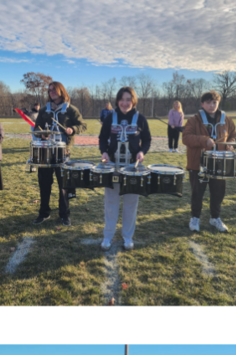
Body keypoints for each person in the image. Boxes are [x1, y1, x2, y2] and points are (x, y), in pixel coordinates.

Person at [98, 87, 151, 250]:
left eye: (128, 99)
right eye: (122, 99)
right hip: (113, 165)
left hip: (132, 167)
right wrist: (104, 152)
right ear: (117, 101)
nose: (125, 102)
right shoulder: (109, 117)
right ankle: (108, 236)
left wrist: (142, 152)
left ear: (133, 101)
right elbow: (102, 138)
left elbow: (147, 139)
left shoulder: (140, 119)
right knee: (111, 202)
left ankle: (128, 237)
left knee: (130, 203)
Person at [183, 90, 236, 233]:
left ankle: (215, 217)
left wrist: (231, 144)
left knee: (219, 192)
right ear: (202, 104)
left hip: (220, 163)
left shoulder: (227, 119)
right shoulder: (194, 120)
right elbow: (186, 137)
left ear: (218, 103)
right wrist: (203, 140)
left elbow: (233, 135)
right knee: (197, 192)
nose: (212, 105)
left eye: (214, 102)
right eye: (208, 102)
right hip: (198, 163)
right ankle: (195, 218)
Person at [32, 81, 86, 225]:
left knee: (64, 185)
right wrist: (42, 134)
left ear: (61, 91)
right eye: (49, 91)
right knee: (44, 184)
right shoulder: (44, 110)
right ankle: (44, 213)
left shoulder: (71, 109)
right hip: (46, 152)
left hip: (63, 152)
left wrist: (72, 129)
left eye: (54, 90)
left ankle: (64, 214)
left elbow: (83, 125)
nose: (51, 92)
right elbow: (36, 129)